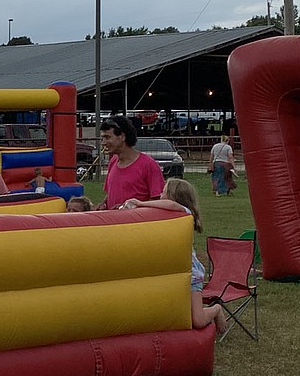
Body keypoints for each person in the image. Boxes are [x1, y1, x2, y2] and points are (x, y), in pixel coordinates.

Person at [122, 178, 227, 337]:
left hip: (191, 273)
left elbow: (173, 205)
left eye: (164, 192)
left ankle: (216, 309)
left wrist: (141, 203)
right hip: (174, 272)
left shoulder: (184, 213)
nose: (160, 194)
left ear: (174, 195)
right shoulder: (164, 216)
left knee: (197, 320)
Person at [96, 115, 164, 210]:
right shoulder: (113, 162)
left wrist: (131, 208)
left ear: (122, 137)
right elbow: (111, 193)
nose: (103, 142)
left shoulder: (148, 165)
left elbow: (157, 200)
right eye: (102, 138)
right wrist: (103, 204)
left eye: (107, 137)